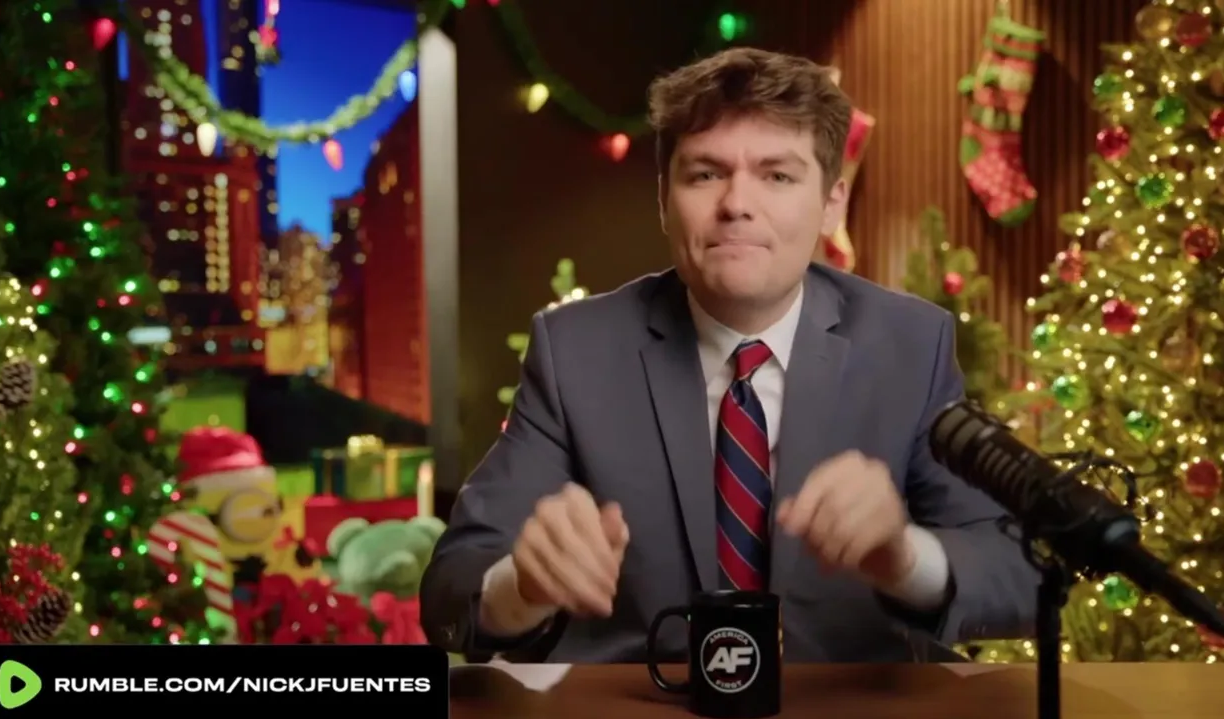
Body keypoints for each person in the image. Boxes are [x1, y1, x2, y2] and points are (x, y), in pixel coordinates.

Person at [421, 47, 1038, 663]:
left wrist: (903, 557)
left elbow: (1020, 574)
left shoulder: (911, 344)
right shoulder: (574, 351)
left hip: (845, 704)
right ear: (664, 199)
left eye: (778, 176)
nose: (737, 203)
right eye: (705, 174)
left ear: (832, 203)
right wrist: (522, 588)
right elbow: (452, 591)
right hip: (640, 703)